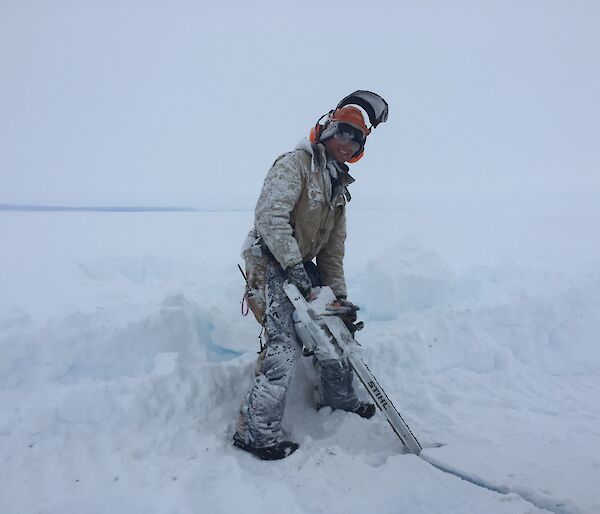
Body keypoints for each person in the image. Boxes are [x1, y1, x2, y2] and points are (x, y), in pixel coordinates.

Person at [233, 91, 389, 460]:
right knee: (284, 343)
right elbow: (270, 219)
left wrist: (337, 297)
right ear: (327, 129)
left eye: (357, 139)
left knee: (338, 331)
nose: (348, 143)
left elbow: (332, 253)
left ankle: (338, 399)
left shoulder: (338, 189)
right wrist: (292, 269)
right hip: (269, 260)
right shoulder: (296, 164)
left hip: (301, 265)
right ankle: (255, 432)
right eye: (344, 133)